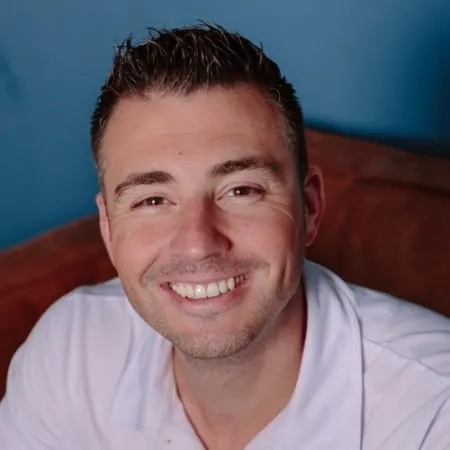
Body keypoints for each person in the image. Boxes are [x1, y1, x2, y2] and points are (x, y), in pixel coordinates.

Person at [0, 23, 449, 450]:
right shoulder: (70, 352)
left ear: (310, 207)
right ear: (107, 227)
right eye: (152, 200)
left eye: (241, 191)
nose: (198, 243)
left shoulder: (432, 410)